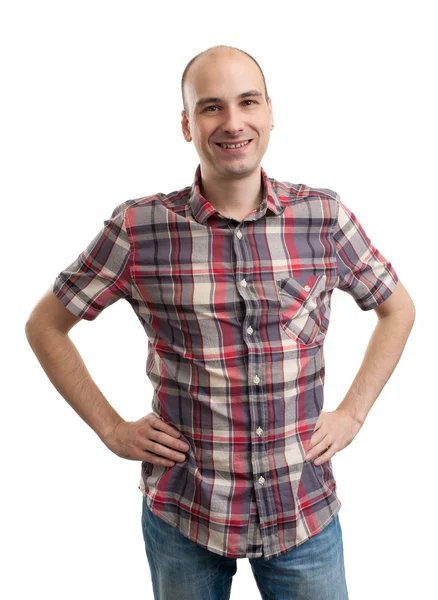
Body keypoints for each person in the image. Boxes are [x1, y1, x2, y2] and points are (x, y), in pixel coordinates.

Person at [25, 45, 416, 600]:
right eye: (211, 107)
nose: (232, 122)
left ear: (270, 113)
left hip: (302, 509)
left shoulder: (323, 218)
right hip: (186, 515)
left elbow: (398, 308)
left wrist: (353, 413)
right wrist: (111, 429)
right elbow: (45, 325)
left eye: (247, 102)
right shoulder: (139, 229)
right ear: (187, 125)